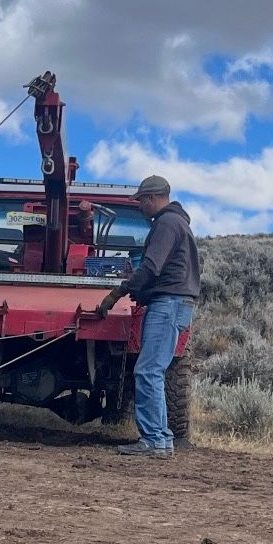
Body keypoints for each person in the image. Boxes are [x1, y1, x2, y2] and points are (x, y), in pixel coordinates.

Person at [95, 174, 201, 458]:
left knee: (148, 371)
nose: (140, 206)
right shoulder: (179, 223)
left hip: (166, 304)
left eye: (141, 200)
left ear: (153, 198)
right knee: (154, 370)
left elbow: (151, 267)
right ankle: (162, 438)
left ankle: (153, 440)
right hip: (177, 303)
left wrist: (117, 293)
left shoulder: (166, 224)